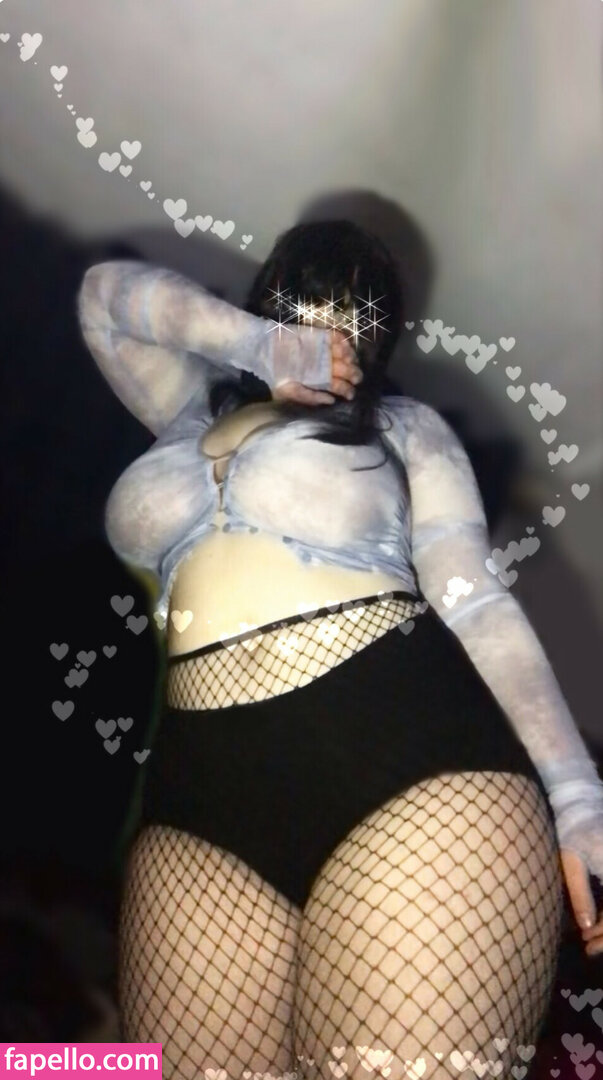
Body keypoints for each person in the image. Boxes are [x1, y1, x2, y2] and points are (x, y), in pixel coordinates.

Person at [77, 220, 603, 1079]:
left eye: (352, 313)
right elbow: (104, 298)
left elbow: (476, 605)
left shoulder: (403, 427)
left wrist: (578, 798)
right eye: (306, 302)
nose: (326, 327)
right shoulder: (183, 411)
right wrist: (257, 348)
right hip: (198, 795)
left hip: (410, 770)